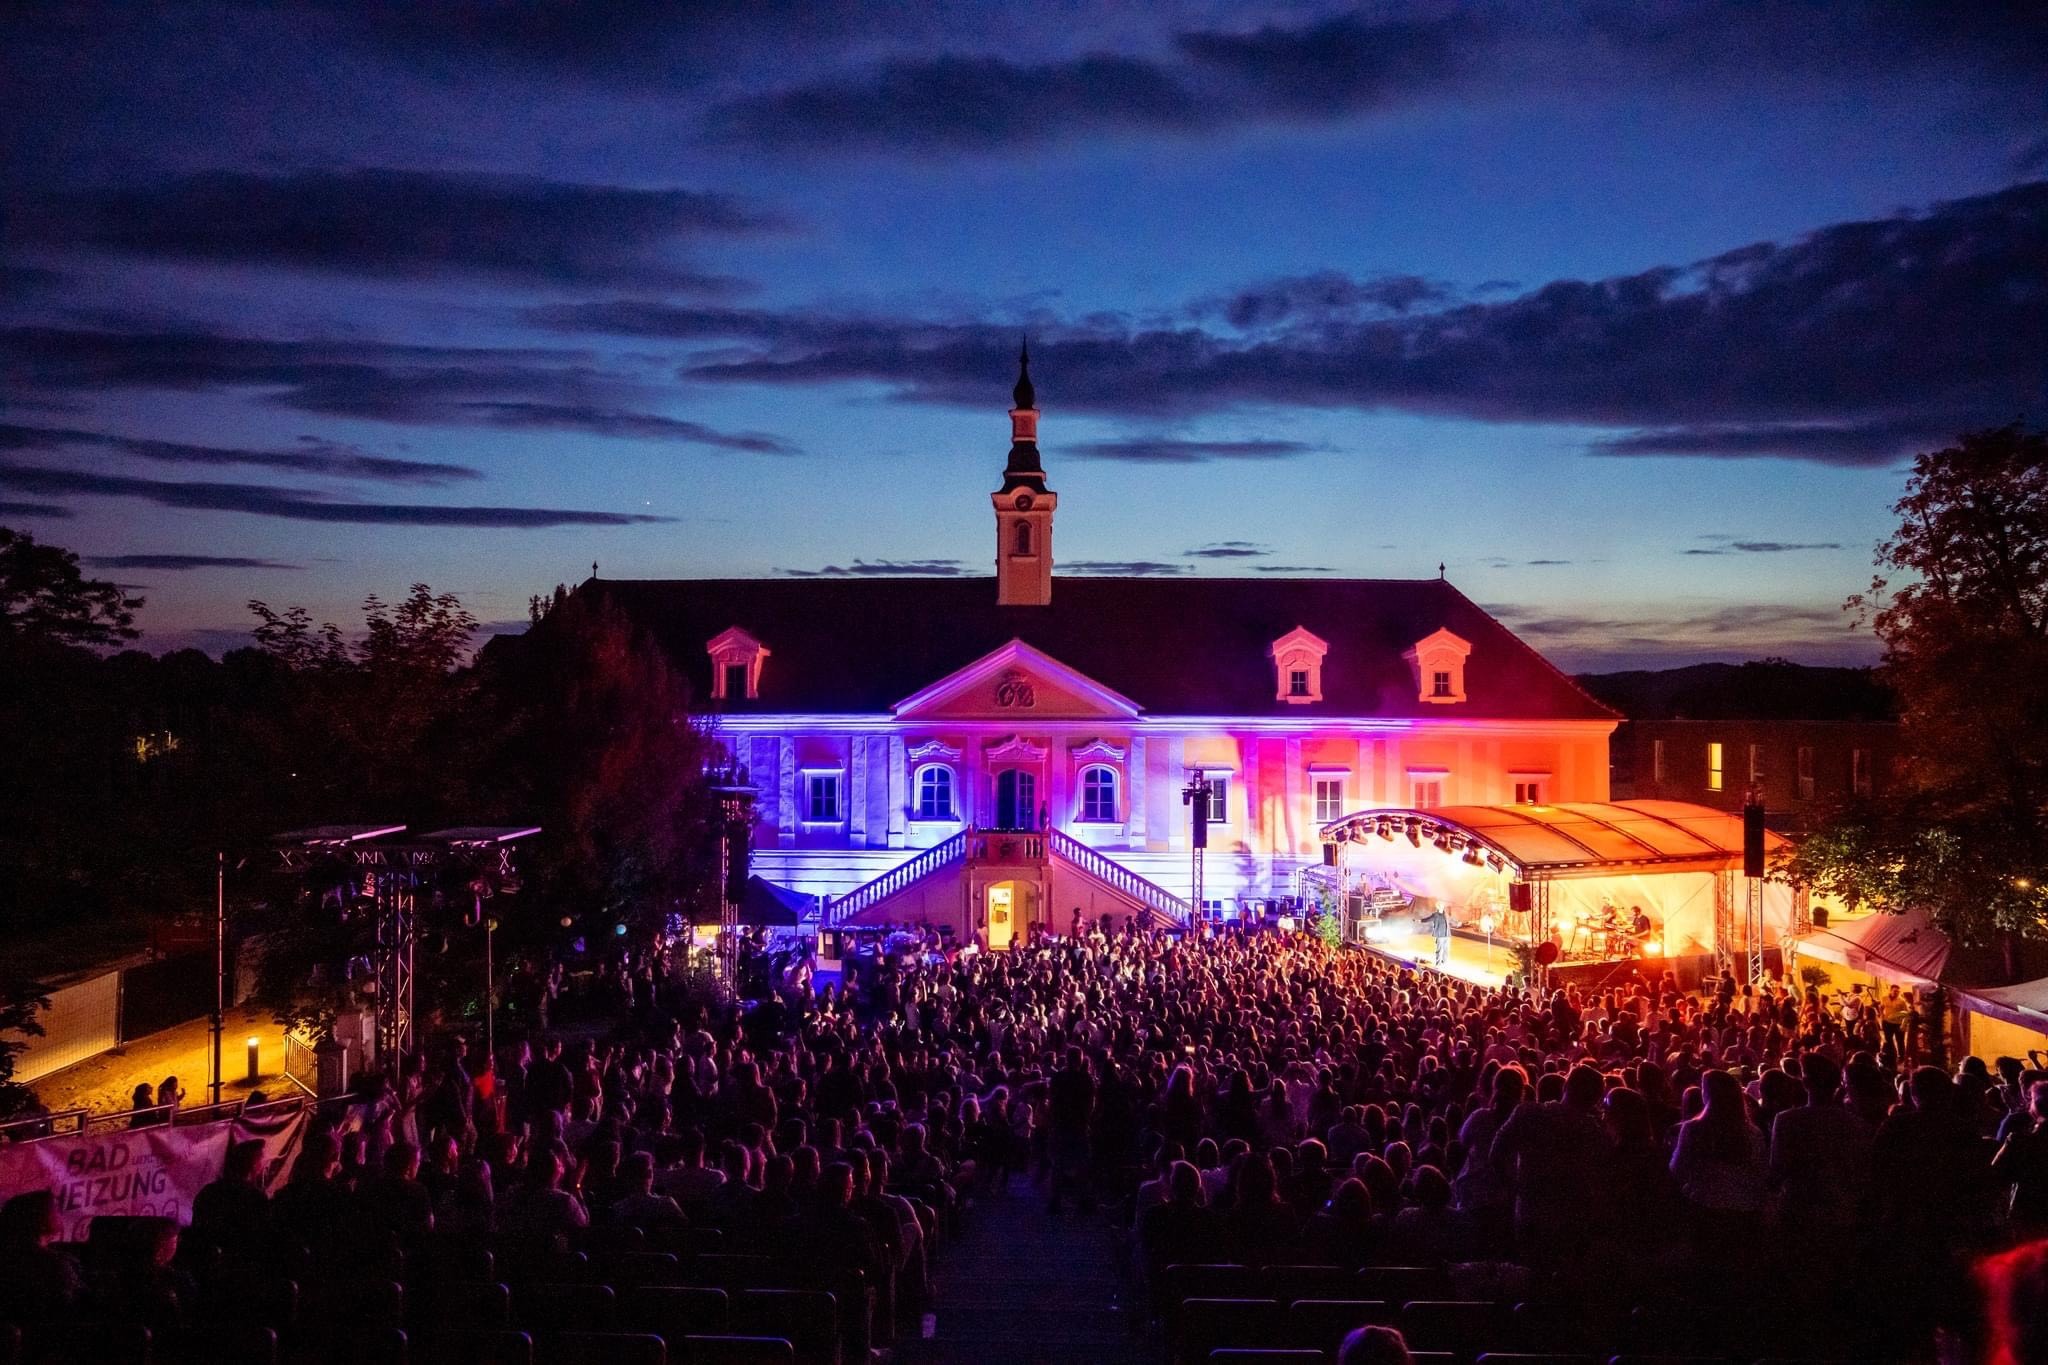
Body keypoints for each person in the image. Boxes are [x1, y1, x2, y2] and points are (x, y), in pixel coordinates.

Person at [189, 1138, 271, 1264]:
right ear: (254, 1164)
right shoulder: (255, 1197)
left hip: (205, 1261)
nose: (265, 1163)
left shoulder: (209, 1191)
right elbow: (260, 1237)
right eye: (262, 1159)